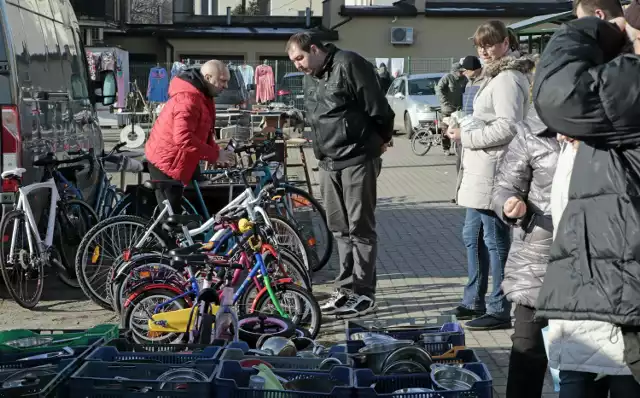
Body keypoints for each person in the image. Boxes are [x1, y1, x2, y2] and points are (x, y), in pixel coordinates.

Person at [532, 3, 640, 397]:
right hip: (596, 301)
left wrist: (590, 31)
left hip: (612, 301)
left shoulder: (627, 91)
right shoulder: (604, 126)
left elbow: (559, 94)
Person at [286, 32, 394, 318]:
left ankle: (364, 293)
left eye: (300, 57)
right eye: (293, 60)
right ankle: (345, 290)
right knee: (339, 228)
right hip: (327, 162)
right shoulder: (312, 75)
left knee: (360, 228)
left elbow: (378, 108)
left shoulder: (349, 64)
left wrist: (380, 140)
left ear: (314, 49)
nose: (297, 65)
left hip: (357, 157)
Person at [442, 20, 534, 331]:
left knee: (495, 241)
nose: (484, 50)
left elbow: (509, 126)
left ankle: (499, 306)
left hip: (496, 171)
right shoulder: (492, 76)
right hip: (480, 171)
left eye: (491, 43)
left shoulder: (507, 78)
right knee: (473, 237)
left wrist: (466, 136)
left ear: (506, 43)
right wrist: (466, 123)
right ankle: (474, 299)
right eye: (480, 44)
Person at [492, 102, 559, 398]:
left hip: (594, 262)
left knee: (587, 366)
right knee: (527, 351)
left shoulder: (612, 126)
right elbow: (505, 185)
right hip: (537, 261)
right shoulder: (530, 132)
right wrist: (509, 204)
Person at [145, 60, 235, 212]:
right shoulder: (189, 99)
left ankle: (197, 233)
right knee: (171, 219)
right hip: (167, 161)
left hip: (182, 158)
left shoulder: (203, 96)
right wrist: (215, 155)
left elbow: (203, 133)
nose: (225, 86)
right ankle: (160, 235)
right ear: (207, 77)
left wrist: (218, 153)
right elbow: (183, 138)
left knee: (202, 201)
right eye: (222, 81)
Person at [435, 62, 467, 155]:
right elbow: (438, 89)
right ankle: (446, 148)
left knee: (459, 127)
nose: (461, 73)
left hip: (459, 108)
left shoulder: (464, 79)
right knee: (446, 128)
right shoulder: (447, 77)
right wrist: (444, 101)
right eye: (459, 71)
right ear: (454, 71)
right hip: (447, 108)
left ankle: (459, 147)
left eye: (462, 71)